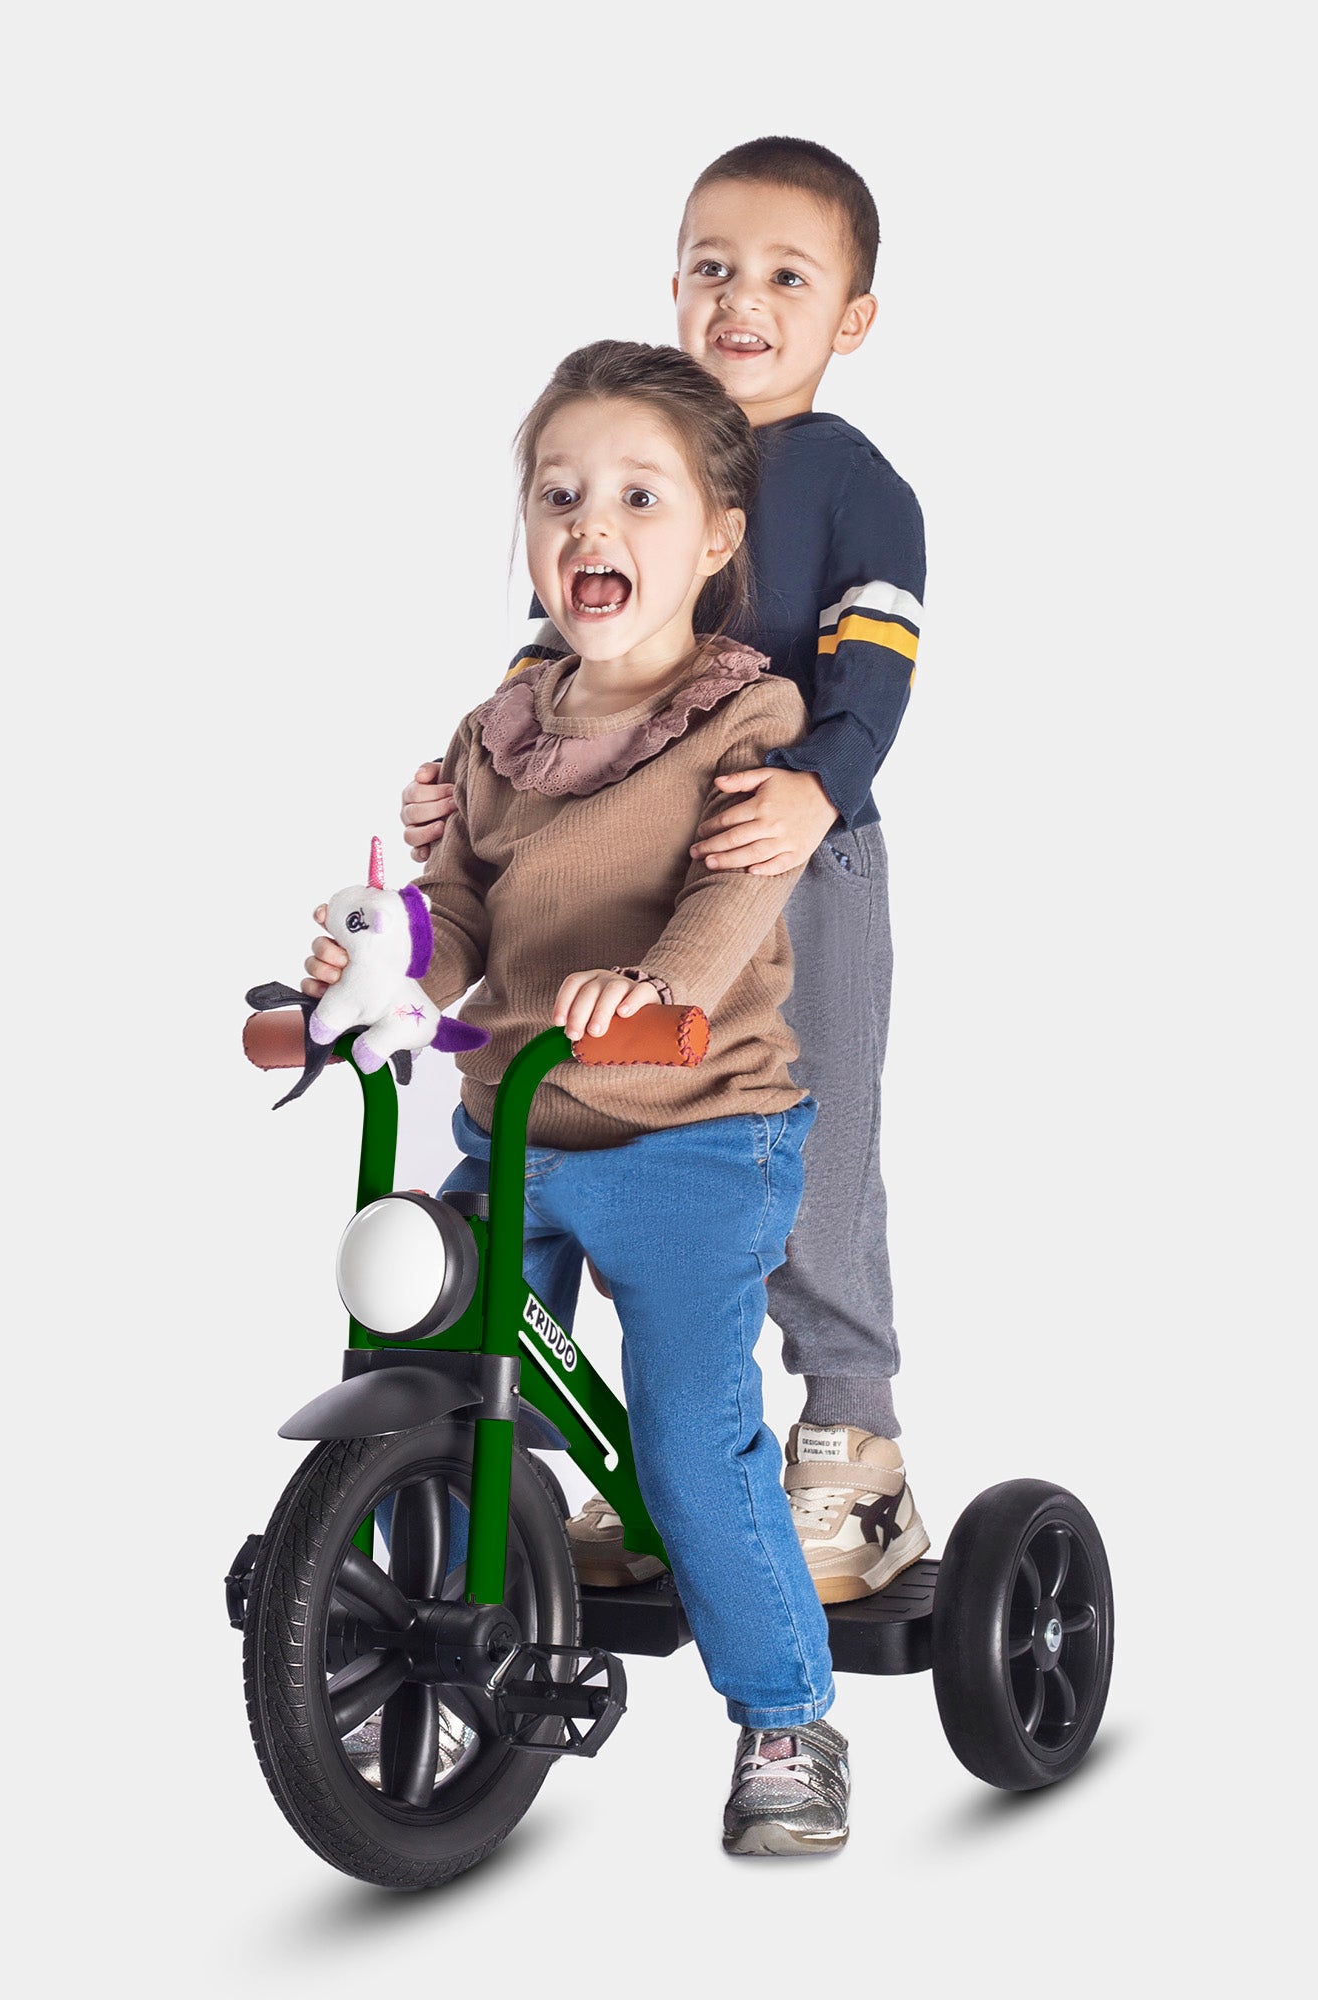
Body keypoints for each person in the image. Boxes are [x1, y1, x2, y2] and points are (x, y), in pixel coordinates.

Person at [303, 341, 851, 1854]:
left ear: (719, 537)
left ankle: (789, 1718)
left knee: (686, 1439)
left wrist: (656, 987)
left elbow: (735, 895)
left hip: (697, 1130)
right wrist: (379, 967)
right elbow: (459, 908)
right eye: (559, 496)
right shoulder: (504, 729)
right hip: (519, 1124)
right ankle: (432, 1643)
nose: (589, 525)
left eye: (638, 497)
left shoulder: (746, 719)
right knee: (434, 1362)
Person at [395, 138, 929, 1607]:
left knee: (803, 1150)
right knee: (600, 1140)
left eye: (787, 277)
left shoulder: (851, 482)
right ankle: (660, 1476)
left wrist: (818, 788)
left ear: (852, 318)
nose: (742, 299)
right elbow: (552, 668)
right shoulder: (638, 466)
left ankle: (854, 1445)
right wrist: (464, 787)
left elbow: (878, 668)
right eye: (712, 267)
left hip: (791, 851)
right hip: (621, 867)